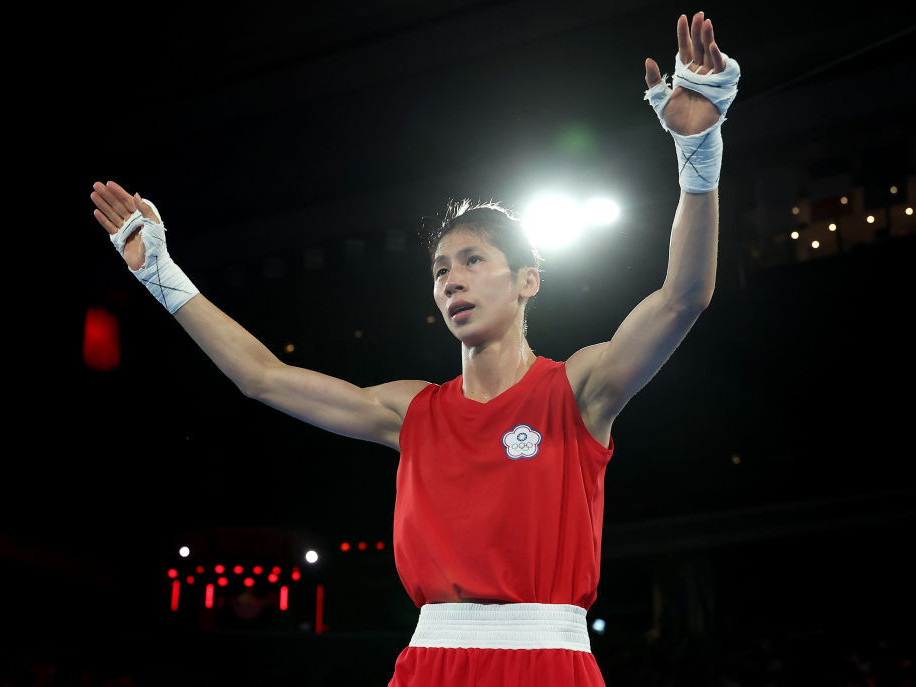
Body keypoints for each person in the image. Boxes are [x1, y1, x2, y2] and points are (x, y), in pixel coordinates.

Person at [90, 10, 739, 686]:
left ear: (527, 281)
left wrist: (700, 152)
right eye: (438, 269)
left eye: (471, 260)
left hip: (549, 662)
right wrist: (159, 275)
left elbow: (681, 297)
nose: (451, 279)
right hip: (430, 663)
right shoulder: (412, 412)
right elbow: (262, 376)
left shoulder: (576, 388)